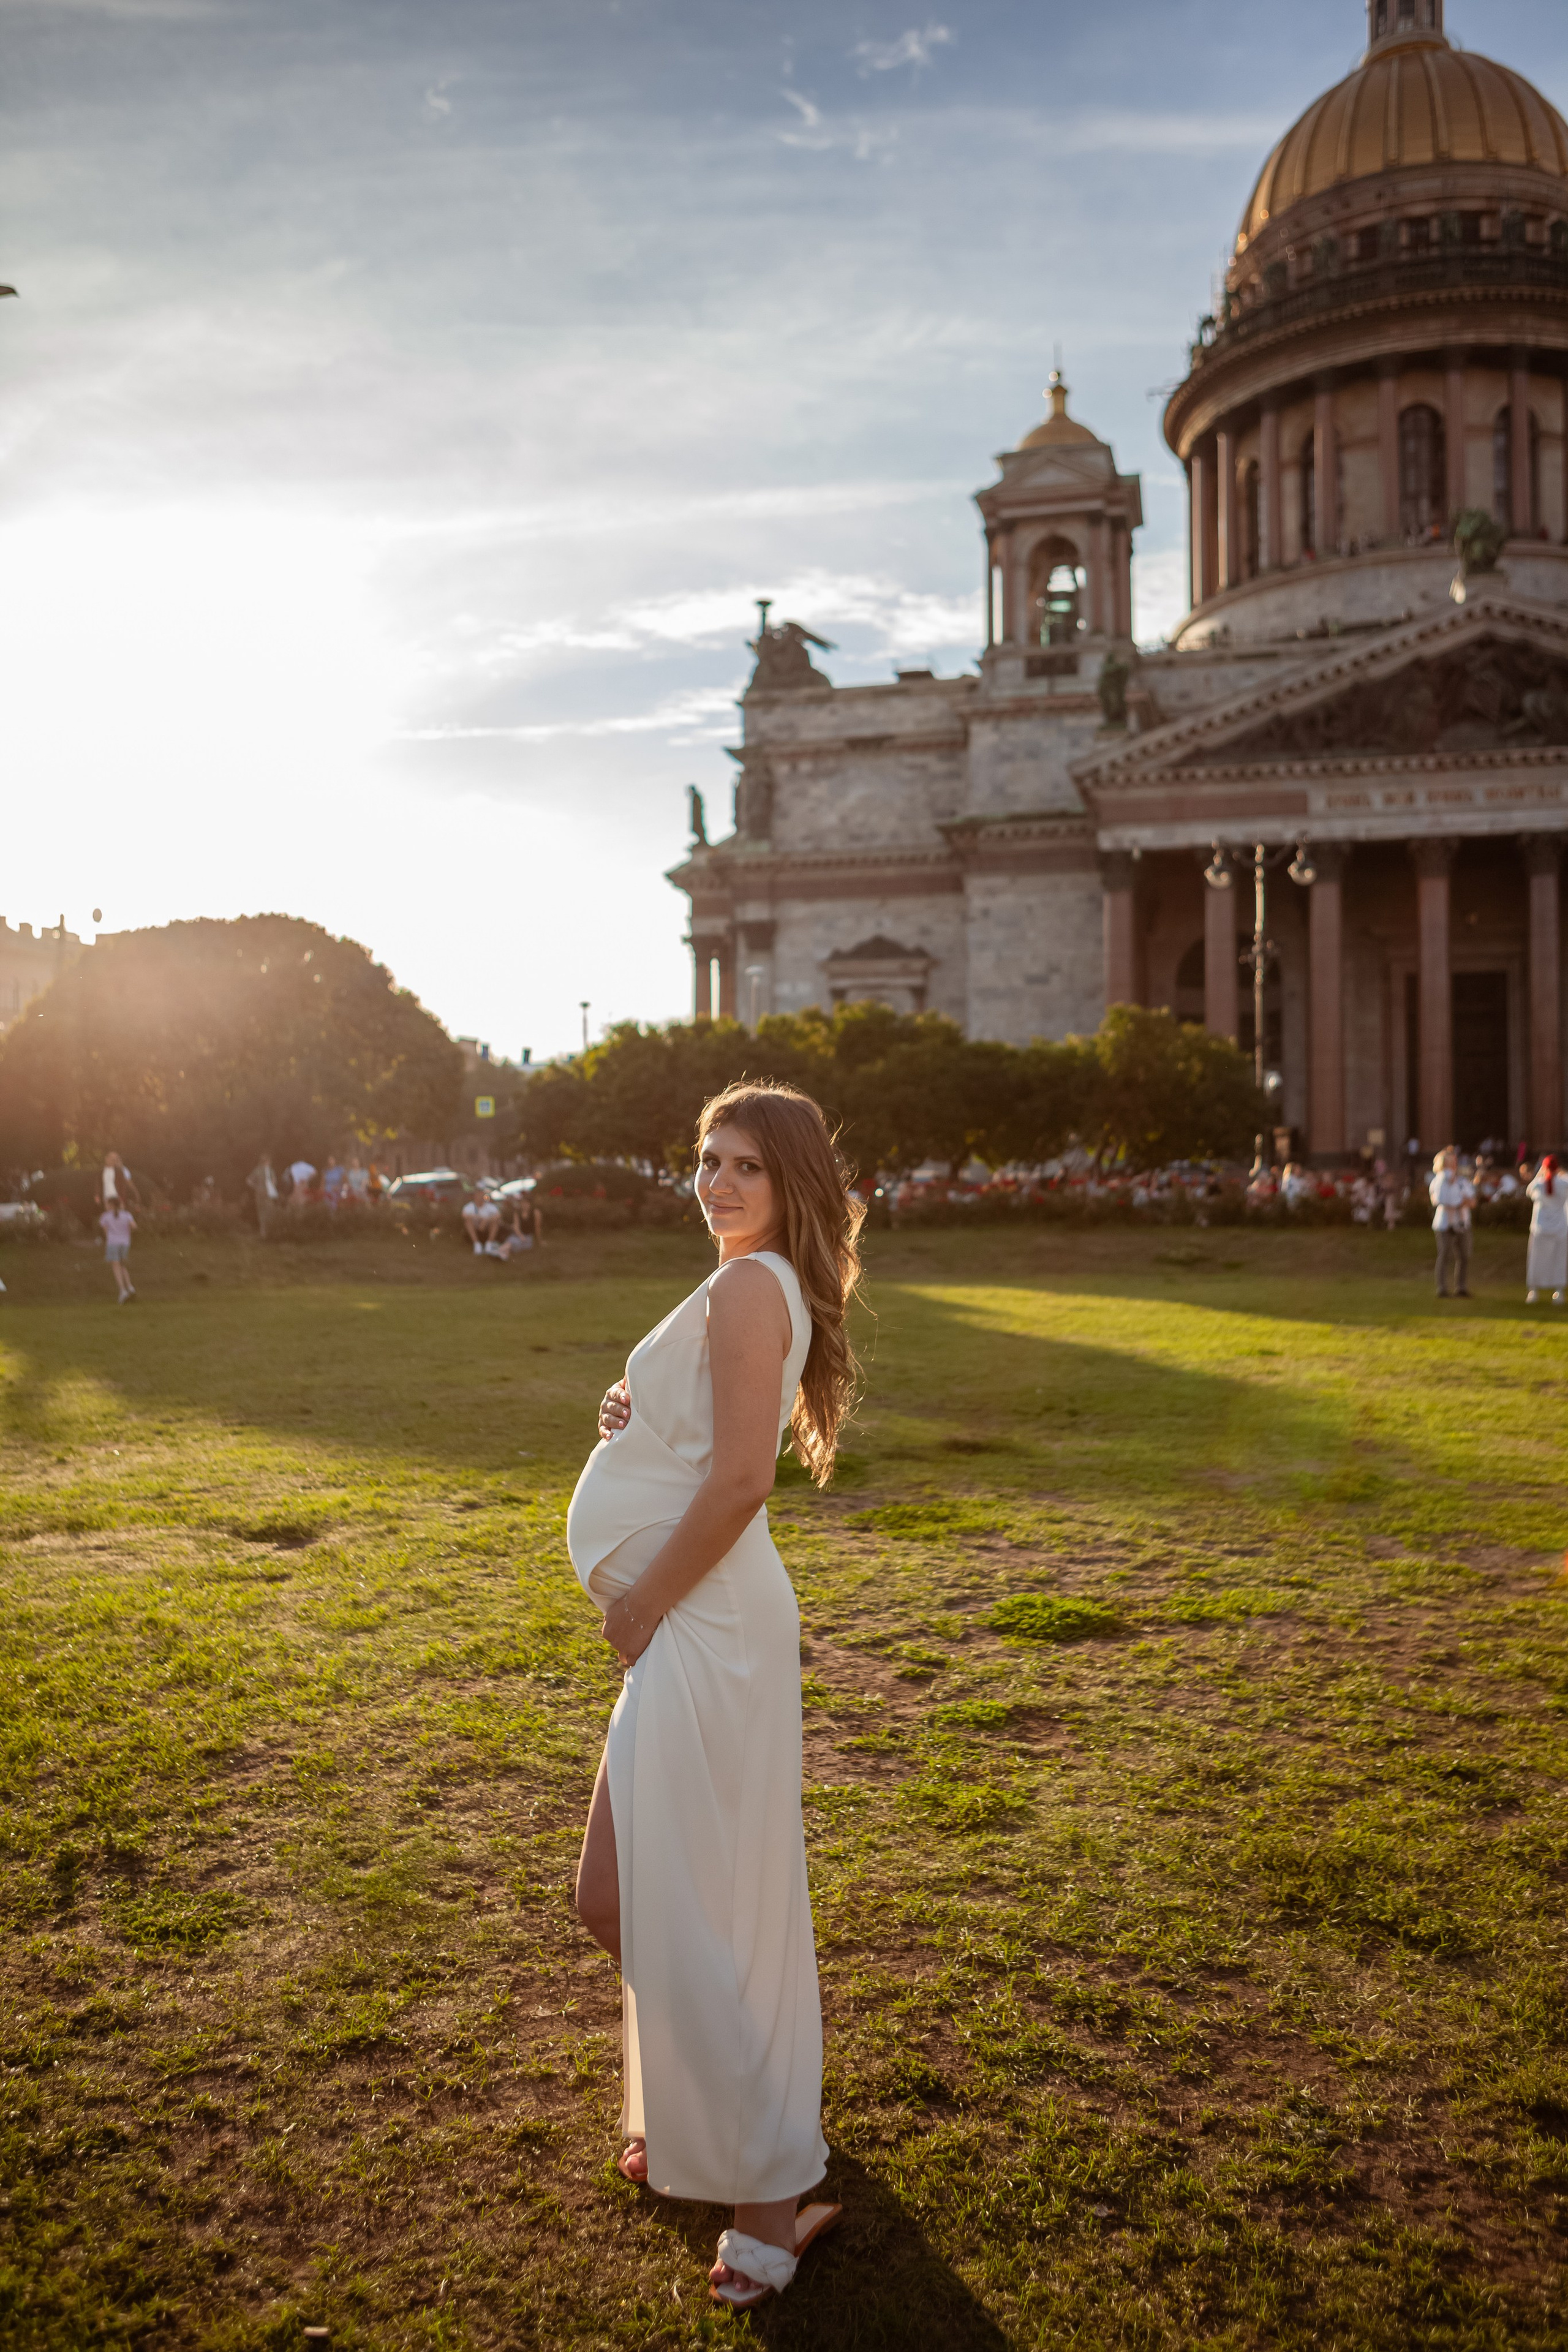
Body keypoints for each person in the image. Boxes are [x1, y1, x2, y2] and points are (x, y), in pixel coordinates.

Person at [568, 1081, 860, 2310]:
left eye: (742, 1164)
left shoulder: (753, 1283)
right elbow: (706, 1440)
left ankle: (763, 2211)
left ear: (788, 1180)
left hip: (703, 1622)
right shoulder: (747, 1282)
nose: (716, 1183)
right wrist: (629, 1426)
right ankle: (718, 2118)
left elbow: (743, 1481)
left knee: (698, 1906)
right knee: (613, 1896)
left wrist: (637, 1605)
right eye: (704, 1160)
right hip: (695, 1622)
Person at [1429, 1145, 1475, 1298]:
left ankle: (1460, 1287)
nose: (1454, 1164)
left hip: (1462, 1223)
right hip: (1444, 1224)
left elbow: (1472, 1201)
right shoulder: (1438, 1181)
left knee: (1464, 1255)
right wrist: (1459, 1201)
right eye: (1450, 1162)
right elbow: (1440, 1199)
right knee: (1444, 1255)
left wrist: (1462, 1202)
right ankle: (1442, 1288)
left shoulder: (1461, 1181)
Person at [1525, 1152, 1568, 1304]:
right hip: (1560, 1229)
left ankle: (1533, 1292)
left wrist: (1540, 1173)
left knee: (1537, 1260)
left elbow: (1528, 1191)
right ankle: (1559, 1292)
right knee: (1559, 1260)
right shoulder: (1564, 1184)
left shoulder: (1539, 1184)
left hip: (1541, 1228)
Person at [99, 1196, 137, 1303]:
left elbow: (106, 1232)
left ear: (111, 1205)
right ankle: (130, 1287)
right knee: (123, 1265)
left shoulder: (105, 1217)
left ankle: (122, 1290)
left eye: (107, 1204)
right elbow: (134, 1226)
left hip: (113, 1243)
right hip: (125, 1243)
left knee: (116, 1267)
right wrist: (127, 1233)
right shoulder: (127, 1215)